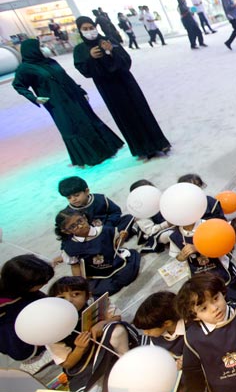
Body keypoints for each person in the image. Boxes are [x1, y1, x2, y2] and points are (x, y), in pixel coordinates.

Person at [12, 39, 124, 167]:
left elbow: (66, 78)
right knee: (72, 127)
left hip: (74, 96)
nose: (43, 49)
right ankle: (89, 157)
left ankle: (106, 150)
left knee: (88, 120)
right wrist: (34, 98)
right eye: (40, 47)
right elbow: (18, 85)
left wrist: (80, 90)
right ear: (32, 50)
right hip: (57, 103)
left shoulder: (50, 61)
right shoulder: (25, 69)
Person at [74, 16, 171, 160]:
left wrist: (112, 51)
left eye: (91, 27)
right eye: (85, 29)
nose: (90, 31)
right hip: (109, 89)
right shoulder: (80, 50)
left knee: (141, 110)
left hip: (126, 82)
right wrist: (90, 58)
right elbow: (85, 72)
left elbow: (127, 61)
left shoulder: (108, 40)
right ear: (80, 31)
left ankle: (159, 142)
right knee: (126, 117)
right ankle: (143, 148)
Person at [46, 276, 139, 392]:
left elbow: (116, 317)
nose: (69, 301)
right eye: (61, 297)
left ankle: (128, 361)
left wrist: (103, 323)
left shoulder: (96, 302)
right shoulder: (50, 328)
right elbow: (67, 363)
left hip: (109, 348)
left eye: (75, 294)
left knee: (115, 328)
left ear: (87, 295)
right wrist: (80, 348)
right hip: (85, 364)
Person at [54, 209, 141, 297]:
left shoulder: (104, 230)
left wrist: (122, 238)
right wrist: (80, 284)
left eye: (80, 221)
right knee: (97, 289)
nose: (80, 226)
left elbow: (116, 245)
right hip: (96, 273)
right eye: (73, 226)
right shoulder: (70, 247)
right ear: (66, 231)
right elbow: (75, 266)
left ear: (84, 218)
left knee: (128, 274)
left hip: (116, 263)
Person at [0, 255, 54, 367]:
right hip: (13, 329)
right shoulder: (6, 308)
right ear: (23, 285)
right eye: (41, 283)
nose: (46, 284)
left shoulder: (28, 292)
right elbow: (12, 343)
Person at [58, 176, 132, 232]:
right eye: (69, 197)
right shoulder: (69, 212)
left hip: (108, 227)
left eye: (76, 195)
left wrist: (108, 224)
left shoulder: (101, 199)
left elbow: (116, 211)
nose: (73, 199)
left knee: (129, 218)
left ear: (86, 191)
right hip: (88, 234)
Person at [132, 291, 185, 368]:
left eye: (149, 329)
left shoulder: (192, 327)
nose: (145, 333)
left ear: (167, 323)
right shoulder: (157, 338)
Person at [128, 179, 174, 254]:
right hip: (160, 231)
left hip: (174, 222)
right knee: (170, 234)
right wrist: (167, 224)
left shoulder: (160, 196)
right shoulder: (140, 211)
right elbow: (150, 231)